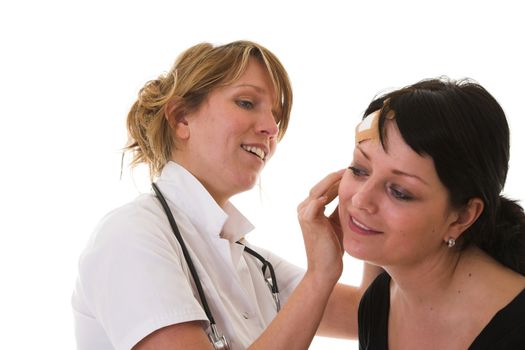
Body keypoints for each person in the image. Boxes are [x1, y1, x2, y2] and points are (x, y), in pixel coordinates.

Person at [72, 40, 377, 350]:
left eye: (276, 116)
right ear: (181, 118)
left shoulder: (251, 262)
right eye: (246, 102)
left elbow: (372, 315)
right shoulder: (131, 236)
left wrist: (372, 208)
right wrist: (318, 275)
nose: (272, 128)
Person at [331, 78, 525, 349]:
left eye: (399, 191)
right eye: (360, 170)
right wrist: (321, 273)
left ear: (462, 217)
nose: (362, 200)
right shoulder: (378, 302)